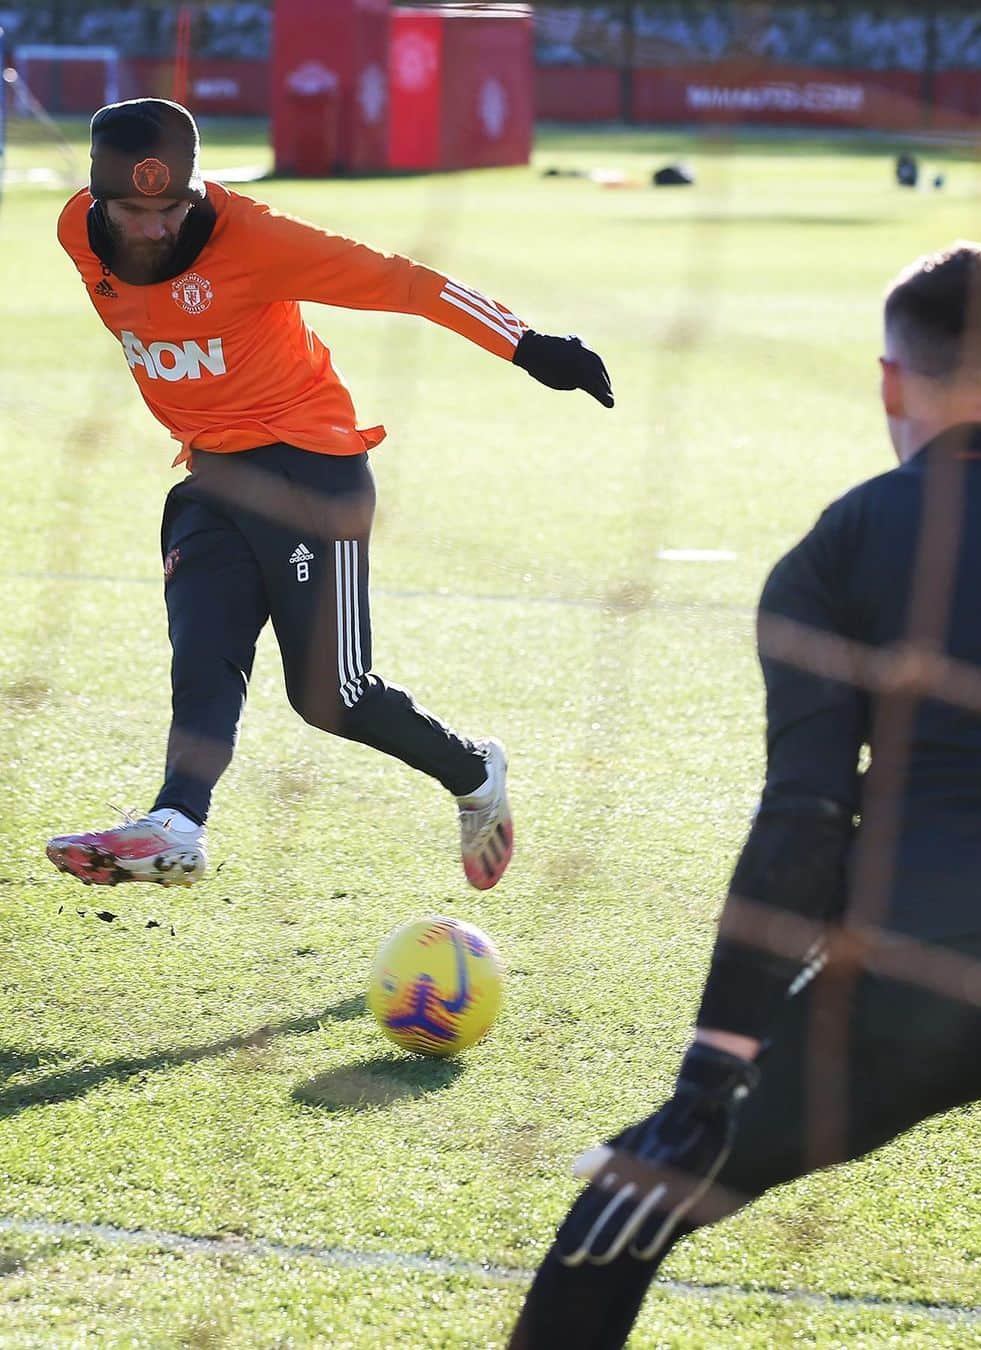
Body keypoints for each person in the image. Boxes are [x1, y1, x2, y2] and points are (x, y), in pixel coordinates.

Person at [508, 241, 981, 1348]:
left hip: (912, 986)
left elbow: (806, 824)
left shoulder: (839, 547)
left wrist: (710, 1077)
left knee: (618, 1211)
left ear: (888, 383)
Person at [45, 99, 613, 893]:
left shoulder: (256, 238)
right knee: (203, 651)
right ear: (98, 199)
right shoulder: (77, 232)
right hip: (212, 478)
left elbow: (404, 283)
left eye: (171, 207)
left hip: (312, 471)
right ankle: (178, 824)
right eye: (133, 211)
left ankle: (475, 771)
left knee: (332, 698)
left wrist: (527, 345)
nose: (154, 227)